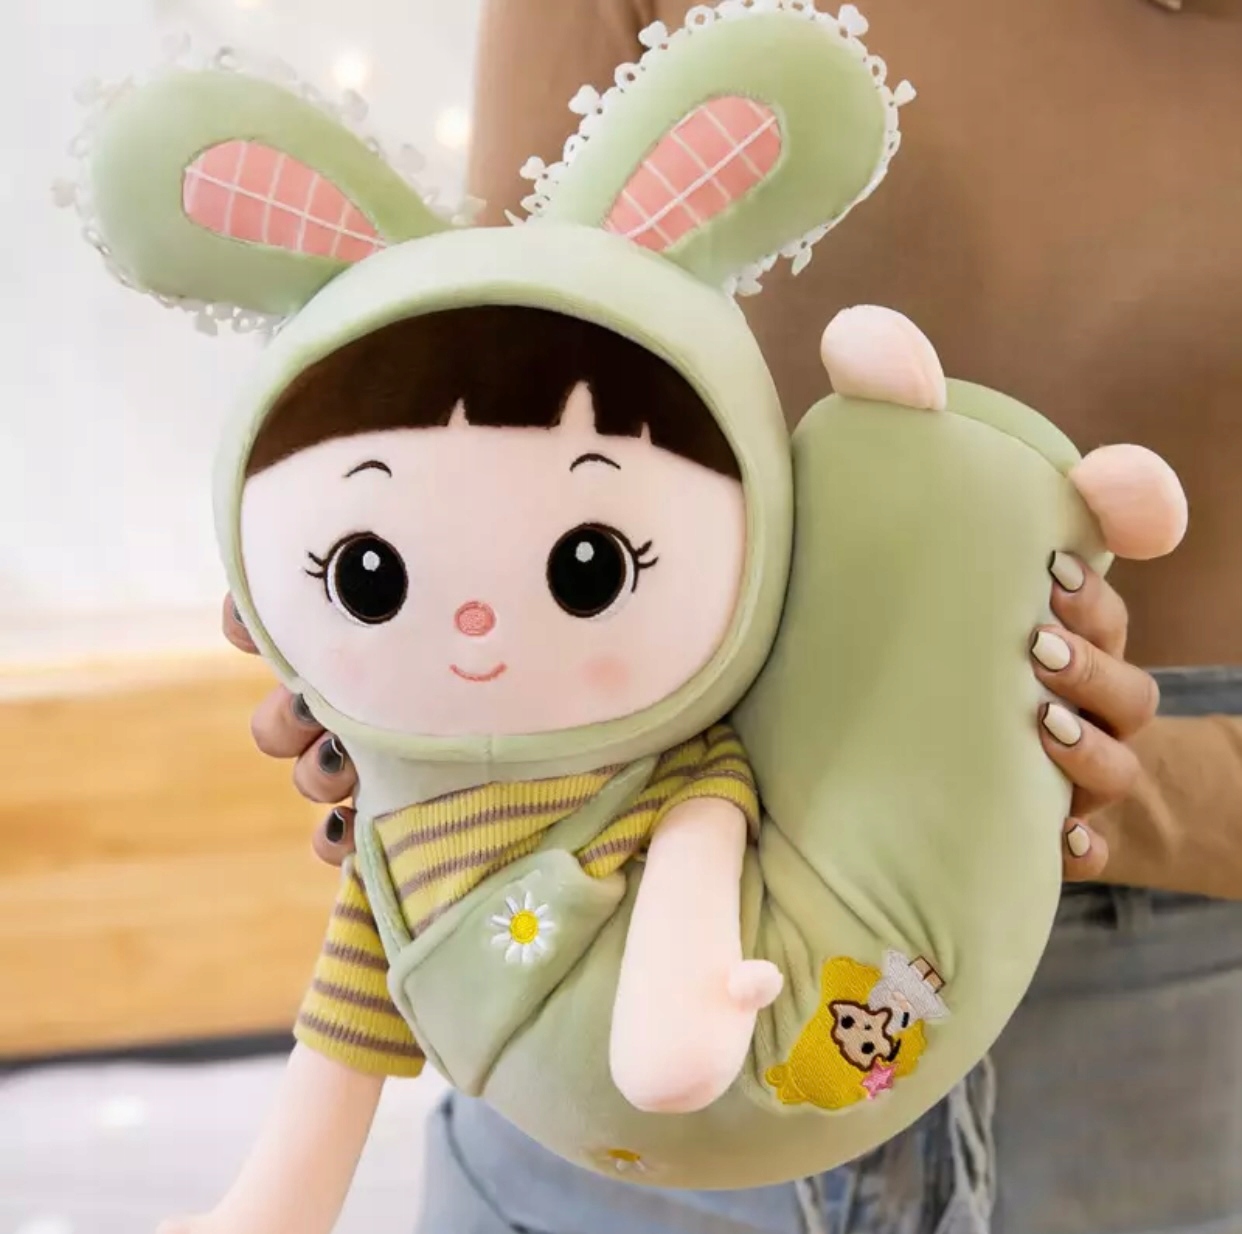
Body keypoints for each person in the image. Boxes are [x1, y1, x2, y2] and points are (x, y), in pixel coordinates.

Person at [226, 0, 1242, 1230]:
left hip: (1164, 1023)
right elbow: (473, 384)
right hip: (592, 940)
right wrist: (378, 653)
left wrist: (1125, 785)